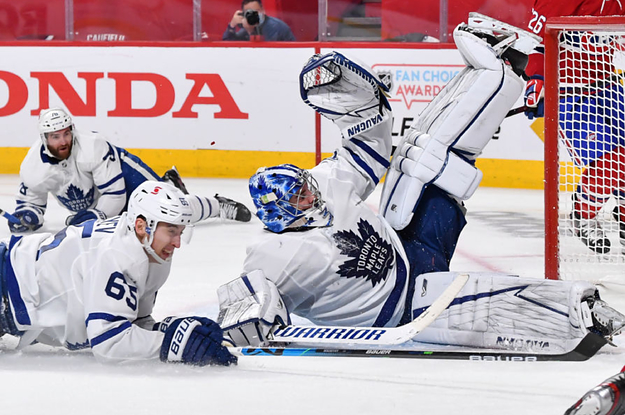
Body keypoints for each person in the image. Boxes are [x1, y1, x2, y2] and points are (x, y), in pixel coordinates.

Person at [215, 18, 625, 352]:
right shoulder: (273, 254)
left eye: (305, 185)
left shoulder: (325, 184)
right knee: (472, 296)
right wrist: (246, 315)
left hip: (411, 242)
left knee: (421, 152)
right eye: (300, 196)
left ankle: (503, 69)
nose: (312, 194)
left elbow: (367, 143)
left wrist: (362, 102)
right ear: (280, 214)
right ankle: (578, 309)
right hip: (404, 305)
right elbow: (247, 291)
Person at [0, 180, 237, 366]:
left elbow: (132, 321)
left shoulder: (151, 246)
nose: (177, 243)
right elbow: (109, 342)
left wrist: (163, 330)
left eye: (181, 232)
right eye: (172, 231)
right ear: (142, 226)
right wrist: (172, 343)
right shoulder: (118, 256)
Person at [9, 107, 251, 233]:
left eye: (66, 133)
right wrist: (27, 217)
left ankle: (217, 205)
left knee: (170, 210)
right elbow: (31, 203)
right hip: (97, 203)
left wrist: (95, 216)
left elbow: (115, 196)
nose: (63, 141)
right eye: (55, 136)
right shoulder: (33, 167)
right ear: (44, 138)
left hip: (123, 175)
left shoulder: (93, 147)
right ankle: (169, 183)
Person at [524, 0, 625, 253]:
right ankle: (583, 214)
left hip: (609, 87)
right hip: (569, 92)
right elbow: (537, 43)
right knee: (611, 160)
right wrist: (536, 79)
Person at [222, 0, 296, 41]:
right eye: (249, 13)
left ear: (263, 10)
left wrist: (250, 32)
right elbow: (227, 47)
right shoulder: (246, 28)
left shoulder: (276, 27)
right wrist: (232, 25)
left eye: (256, 11)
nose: (253, 15)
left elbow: (264, 50)